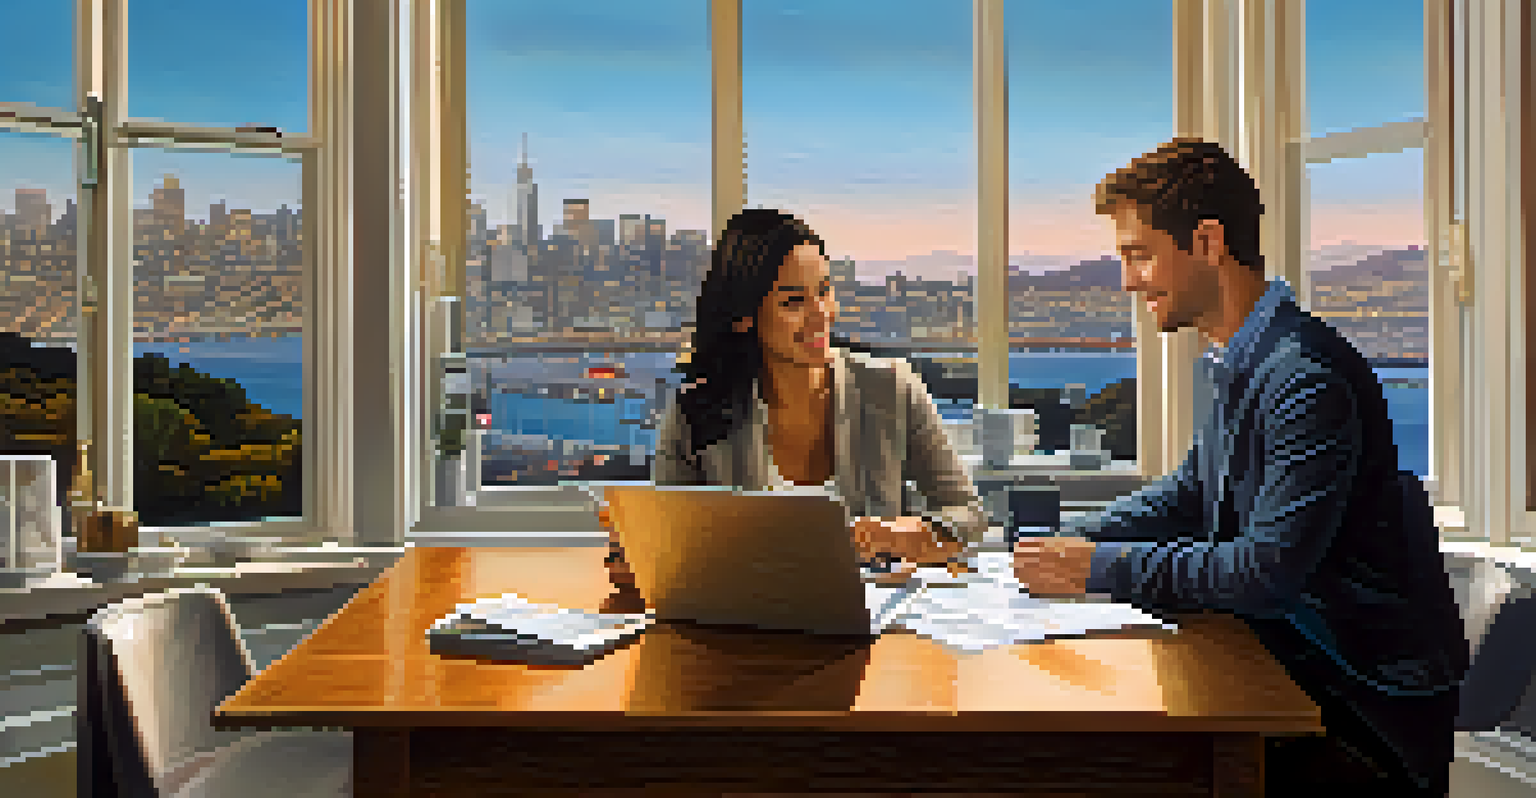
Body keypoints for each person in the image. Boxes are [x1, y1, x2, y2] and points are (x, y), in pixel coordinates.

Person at [1010, 138, 1468, 795]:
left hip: (1358, 716)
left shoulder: (1304, 377)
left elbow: (1264, 573)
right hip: (1296, 672)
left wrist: (1099, 568)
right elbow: (1190, 495)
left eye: (1139, 255)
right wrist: (1070, 545)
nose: (1128, 280)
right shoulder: (1245, 357)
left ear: (1206, 241)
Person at [602, 209, 985, 606]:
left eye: (824, 290)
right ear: (744, 318)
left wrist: (914, 536)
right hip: (741, 631)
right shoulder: (695, 411)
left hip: (869, 637)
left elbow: (968, 515)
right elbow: (666, 546)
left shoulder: (890, 387)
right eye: (793, 302)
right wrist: (635, 560)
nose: (820, 314)